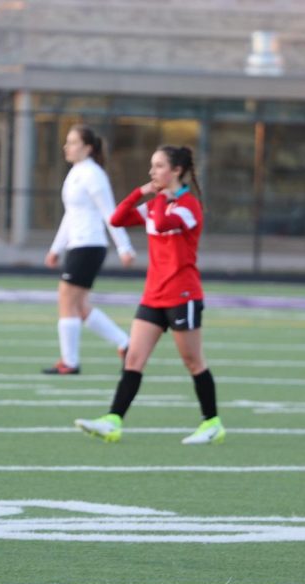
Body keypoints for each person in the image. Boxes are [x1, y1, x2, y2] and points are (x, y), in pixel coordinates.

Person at [73, 145, 225, 445]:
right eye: (151, 166)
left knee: (193, 361)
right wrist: (141, 192)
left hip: (183, 294)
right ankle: (113, 420)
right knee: (134, 358)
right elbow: (116, 219)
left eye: (157, 167)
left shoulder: (189, 206)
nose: (151, 172)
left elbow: (164, 223)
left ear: (176, 171)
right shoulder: (156, 203)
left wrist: (159, 200)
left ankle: (212, 423)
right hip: (153, 295)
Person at [42, 125, 135, 375]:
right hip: (78, 245)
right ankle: (126, 344)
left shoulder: (94, 175)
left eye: (72, 142)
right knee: (80, 306)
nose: (67, 146)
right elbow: (71, 215)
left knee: (66, 298)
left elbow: (110, 213)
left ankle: (69, 362)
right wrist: (56, 248)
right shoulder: (75, 173)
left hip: (90, 245)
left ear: (88, 148)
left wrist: (124, 246)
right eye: (67, 141)